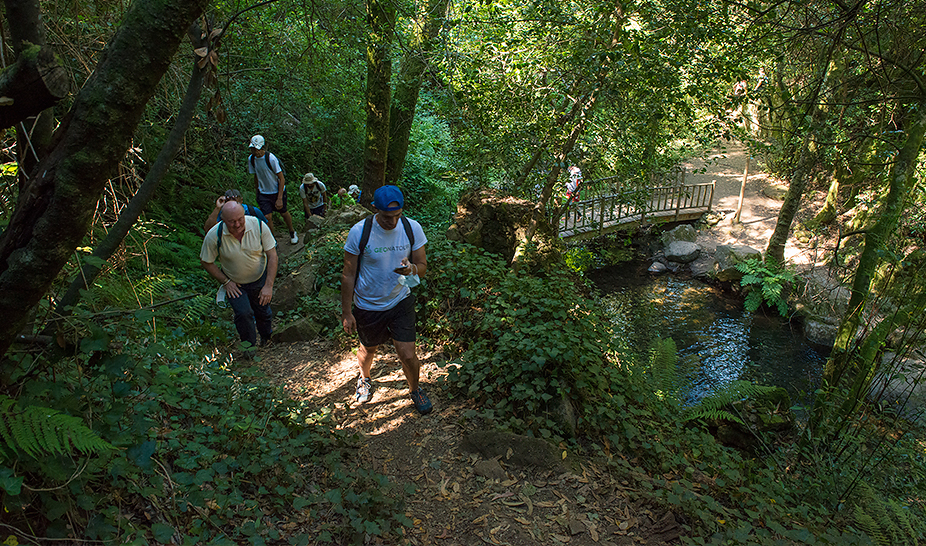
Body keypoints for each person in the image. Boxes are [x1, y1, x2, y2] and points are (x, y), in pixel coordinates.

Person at [340, 185, 432, 414]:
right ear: (375, 209)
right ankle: (364, 378)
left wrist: (412, 269)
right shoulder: (360, 232)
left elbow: (423, 267)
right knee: (368, 349)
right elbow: (348, 274)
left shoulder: (412, 228)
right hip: (368, 304)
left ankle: (415, 389)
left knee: (407, 353)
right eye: (387, 217)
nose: (393, 222)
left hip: (400, 299)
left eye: (397, 216)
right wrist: (346, 312)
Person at [201, 201, 279, 353]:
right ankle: (248, 347)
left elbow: (272, 255)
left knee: (263, 311)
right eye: (232, 222)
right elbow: (206, 261)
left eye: (240, 219)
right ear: (223, 220)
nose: (237, 225)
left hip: (259, 278)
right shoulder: (214, 235)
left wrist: (268, 286)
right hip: (235, 284)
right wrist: (226, 282)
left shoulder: (258, 225)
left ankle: (266, 337)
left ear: (244, 215)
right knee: (243, 314)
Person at [248, 135, 298, 244]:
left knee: (284, 213)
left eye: (257, 149)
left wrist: (279, 198)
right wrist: (257, 191)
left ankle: (292, 231)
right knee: (267, 216)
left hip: (277, 191)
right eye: (253, 149)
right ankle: (272, 240)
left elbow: (281, 178)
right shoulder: (251, 159)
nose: (256, 152)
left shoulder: (271, 158)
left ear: (263, 148)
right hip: (263, 192)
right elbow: (256, 176)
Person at [203, 189, 268, 233]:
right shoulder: (223, 214)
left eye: (235, 202)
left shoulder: (252, 211)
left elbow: (265, 227)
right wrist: (218, 208)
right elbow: (208, 228)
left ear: (241, 200)